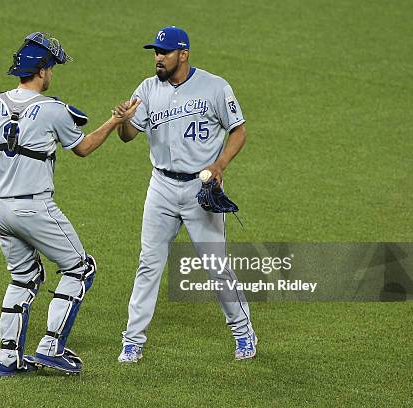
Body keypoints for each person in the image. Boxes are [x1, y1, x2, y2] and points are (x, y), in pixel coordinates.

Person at [0, 32, 140, 376]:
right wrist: (115, 121)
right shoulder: (53, 111)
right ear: (42, 70)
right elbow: (84, 147)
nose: (52, 75)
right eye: (51, 69)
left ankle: (7, 359)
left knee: (23, 278)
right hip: (34, 208)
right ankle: (51, 347)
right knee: (80, 268)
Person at [114, 26, 257, 363]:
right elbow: (128, 136)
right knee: (148, 264)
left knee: (215, 266)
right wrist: (123, 121)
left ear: (184, 54)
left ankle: (243, 332)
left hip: (200, 186)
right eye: (155, 52)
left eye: (164, 52)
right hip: (161, 187)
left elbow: (238, 131)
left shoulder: (214, 87)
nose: (158, 58)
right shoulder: (147, 90)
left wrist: (220, 165)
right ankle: (133, 341)